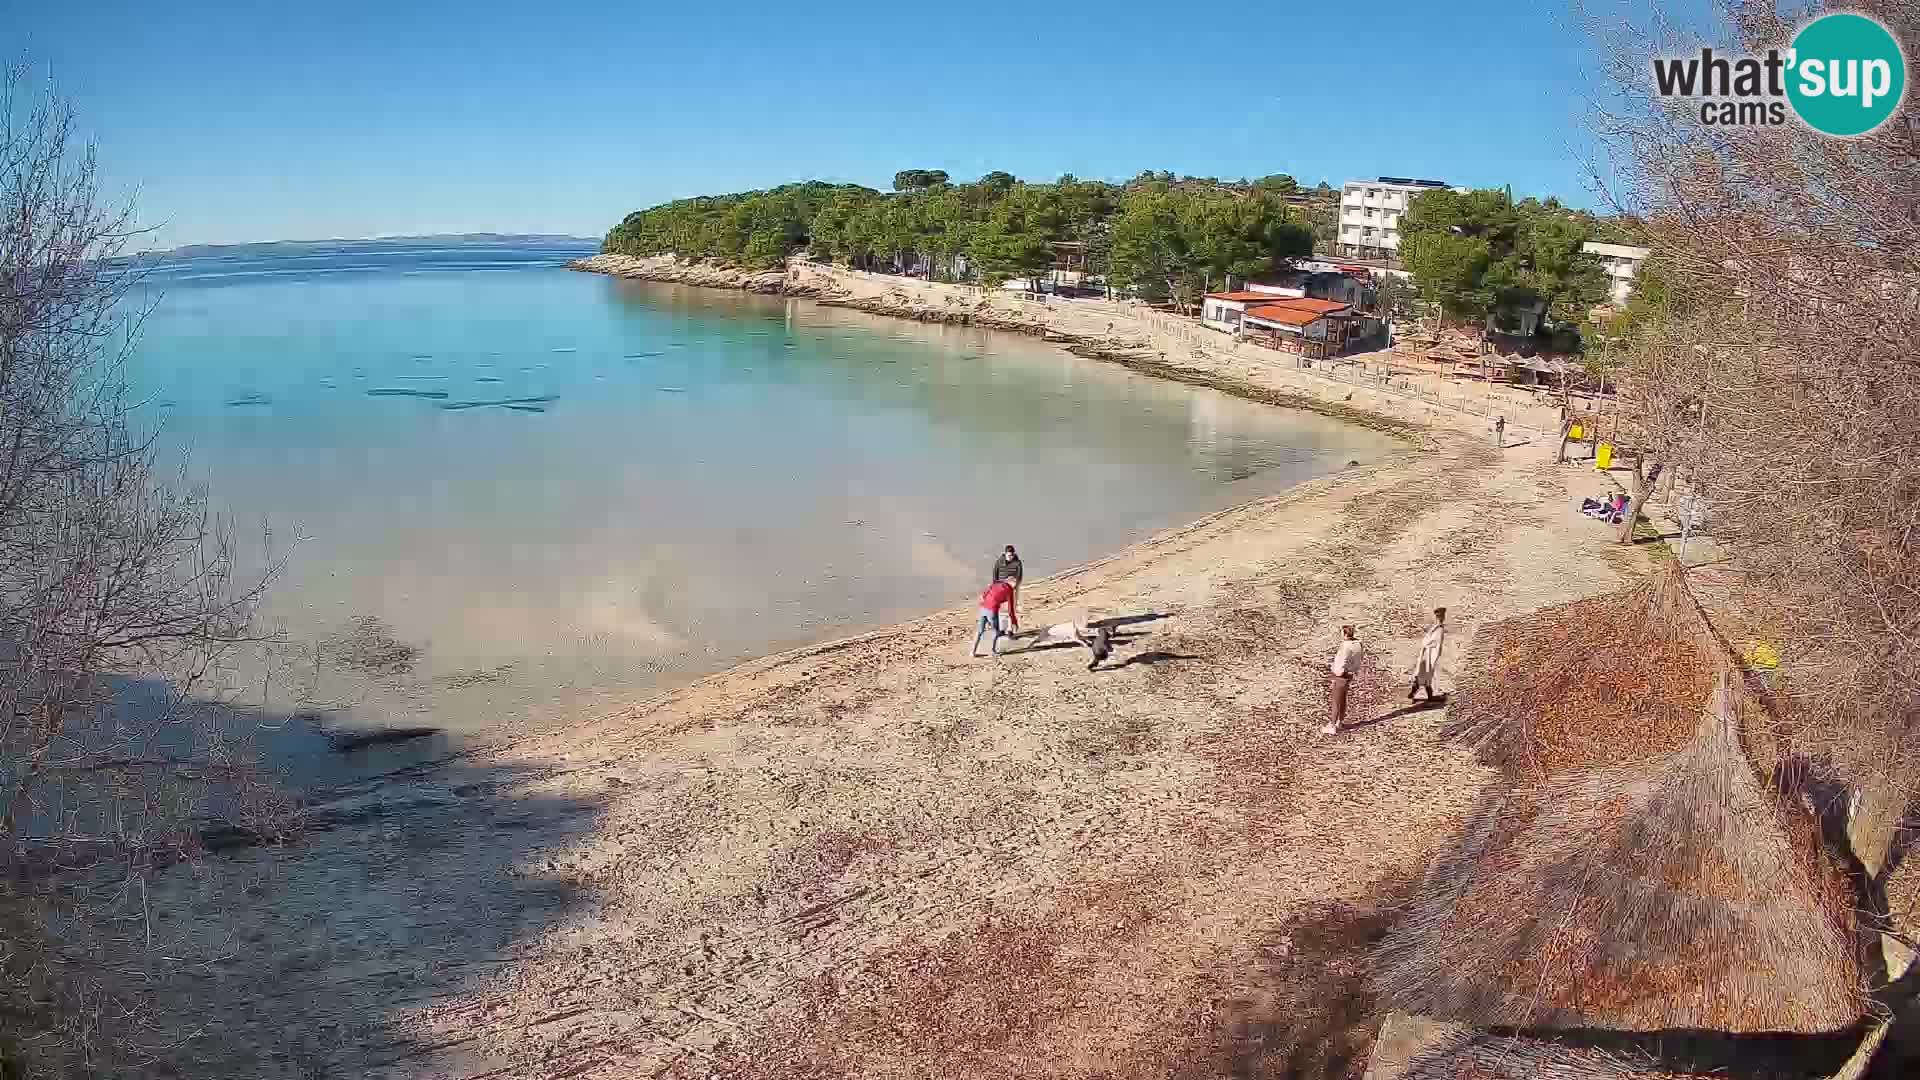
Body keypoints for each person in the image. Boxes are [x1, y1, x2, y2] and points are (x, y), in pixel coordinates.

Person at [1324, 625, 1362, 735]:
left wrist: (1337, 672)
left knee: (1336, 700)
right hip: (1350, 674)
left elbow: (1342, 660)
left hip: (1341, 675)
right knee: (1343, 699)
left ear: (1345, 634)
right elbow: (1359, 658)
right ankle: (1340, 721)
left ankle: (1332, 725)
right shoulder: (1358, 644)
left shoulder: (1345, 646)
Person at [972, 578, 1019, 657]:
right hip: (992, 610)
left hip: (983, 608)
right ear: (1013, 585)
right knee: (996, 632)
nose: (1015, 589)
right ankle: (993, 651)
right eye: (1015, 587)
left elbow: (984, 595)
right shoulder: (1010, 590)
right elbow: (1010, 609)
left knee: (980, 631)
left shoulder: (996, 583)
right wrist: (1014, 622)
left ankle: (972, 652)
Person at [1410, 607, 1447, 702]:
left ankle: (1425, 695)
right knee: (1422, 673)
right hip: (1427, 653)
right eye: (1438, 616)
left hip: (1430, 653)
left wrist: (1426, 644)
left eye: (1440, 616)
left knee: (1426, 674)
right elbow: (1430, 640)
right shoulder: (1436, 627)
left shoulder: (1439, 628)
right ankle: (1416, 692)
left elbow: (1435, 642)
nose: (1439, 618)